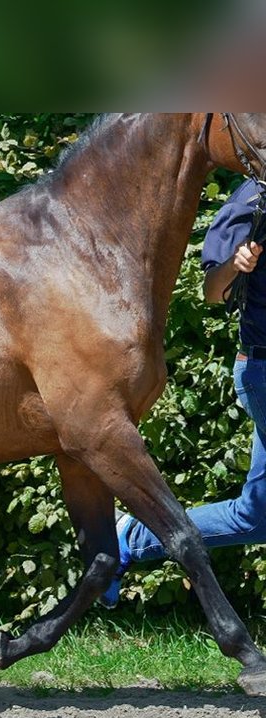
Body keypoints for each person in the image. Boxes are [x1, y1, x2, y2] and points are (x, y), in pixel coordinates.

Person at [103, 176, 265, 607]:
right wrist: (237, 264)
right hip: (264, 369)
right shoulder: (253, 198)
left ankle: (133, 536)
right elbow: (213, 291)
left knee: (257, 515)